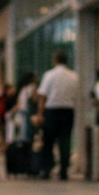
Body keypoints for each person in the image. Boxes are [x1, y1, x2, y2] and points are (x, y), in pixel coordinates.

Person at [35, 50, 81, 180]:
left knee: (48, 141)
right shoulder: (74, 76)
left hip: (52, 111)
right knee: (65, 142)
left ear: (55, 60)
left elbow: (43, 96)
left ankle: (46, 169)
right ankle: (63, 171)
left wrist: (40, 114)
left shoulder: (49, 75)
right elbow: (77, 96)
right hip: (68, 111)